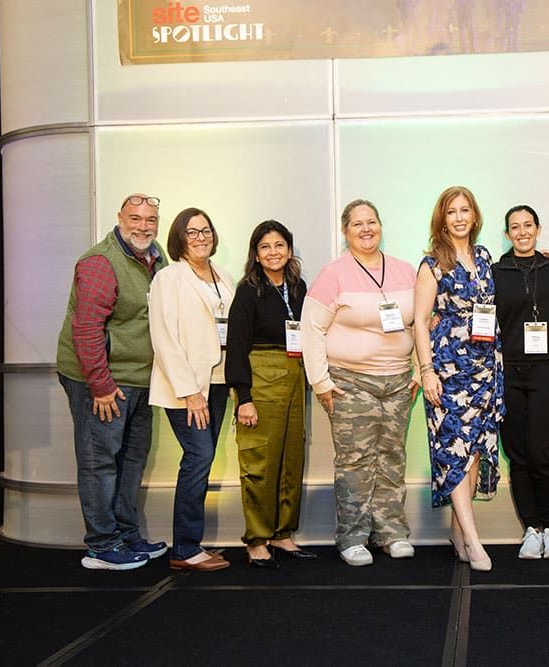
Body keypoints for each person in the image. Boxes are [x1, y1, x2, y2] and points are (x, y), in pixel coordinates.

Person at [302, 200, 418, 567]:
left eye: (372, 221)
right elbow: (311, 329)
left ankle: (392, 533)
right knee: (355, 461)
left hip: (398, 381)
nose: (366, 229)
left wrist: (419, 370)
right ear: (345, 231)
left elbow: (420, 324)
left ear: (380, 225)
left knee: (392, 458)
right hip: (350, 382)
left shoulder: (405, 270)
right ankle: (352, 538)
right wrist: (320, 382)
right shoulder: (333, 274)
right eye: (357, 224)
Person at [56, 193, 168, 570]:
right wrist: (101, 386)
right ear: (120, 219)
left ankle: (125, 534)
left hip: (139, 379)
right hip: (103, 380)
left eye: (150, 220)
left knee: (131, 460)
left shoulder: (156, 258)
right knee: (100, 462)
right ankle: (102, 545)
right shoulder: (101, 263)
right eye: (135, 218)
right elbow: (87, 330)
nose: (143, 226)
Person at [414, 186, 504, 572]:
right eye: (452, 212)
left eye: (465, 210)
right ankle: (474, 539)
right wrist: (427, 372)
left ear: (475, 215)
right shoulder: (432, 263)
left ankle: (458, 534)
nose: (459, 217)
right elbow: (420, 322)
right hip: (448, 370)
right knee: (454, 452)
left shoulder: (483, 257)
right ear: (442, 219)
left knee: (473, 451)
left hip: (485, 367)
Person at [149, 207, 234, 572]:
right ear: (179, 239)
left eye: (206, 230)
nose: (201, 237)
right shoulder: (169, 278)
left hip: (219, 382)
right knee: (198, 457)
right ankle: (184, 549)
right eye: (192, 232)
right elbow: (164, 338)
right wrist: (189, 391)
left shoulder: (223, 275)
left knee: (204, 459)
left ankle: (190, 545)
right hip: (187, 387)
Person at [226, 220, 315, 569]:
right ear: (256, 254)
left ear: (289, 250)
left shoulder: (298, 286)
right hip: (261, 379)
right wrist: (244, 397)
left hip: (294, 376)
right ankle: (257, 539)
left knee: (291, 459)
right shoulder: (248, 291)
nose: (273, 252)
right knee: (260, 462)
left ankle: (282, 533)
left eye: (279, 245)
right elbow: (236, 345)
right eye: (265, 247)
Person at [491, 205, 549, 560]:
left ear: (538, 229)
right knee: (518, 457)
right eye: (515, 227)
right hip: (509, 371)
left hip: (548, 370)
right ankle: (531, 530)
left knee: (543, 455)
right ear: (507, 234)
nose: (522, 232)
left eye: (527, 225)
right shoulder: (496, 272)